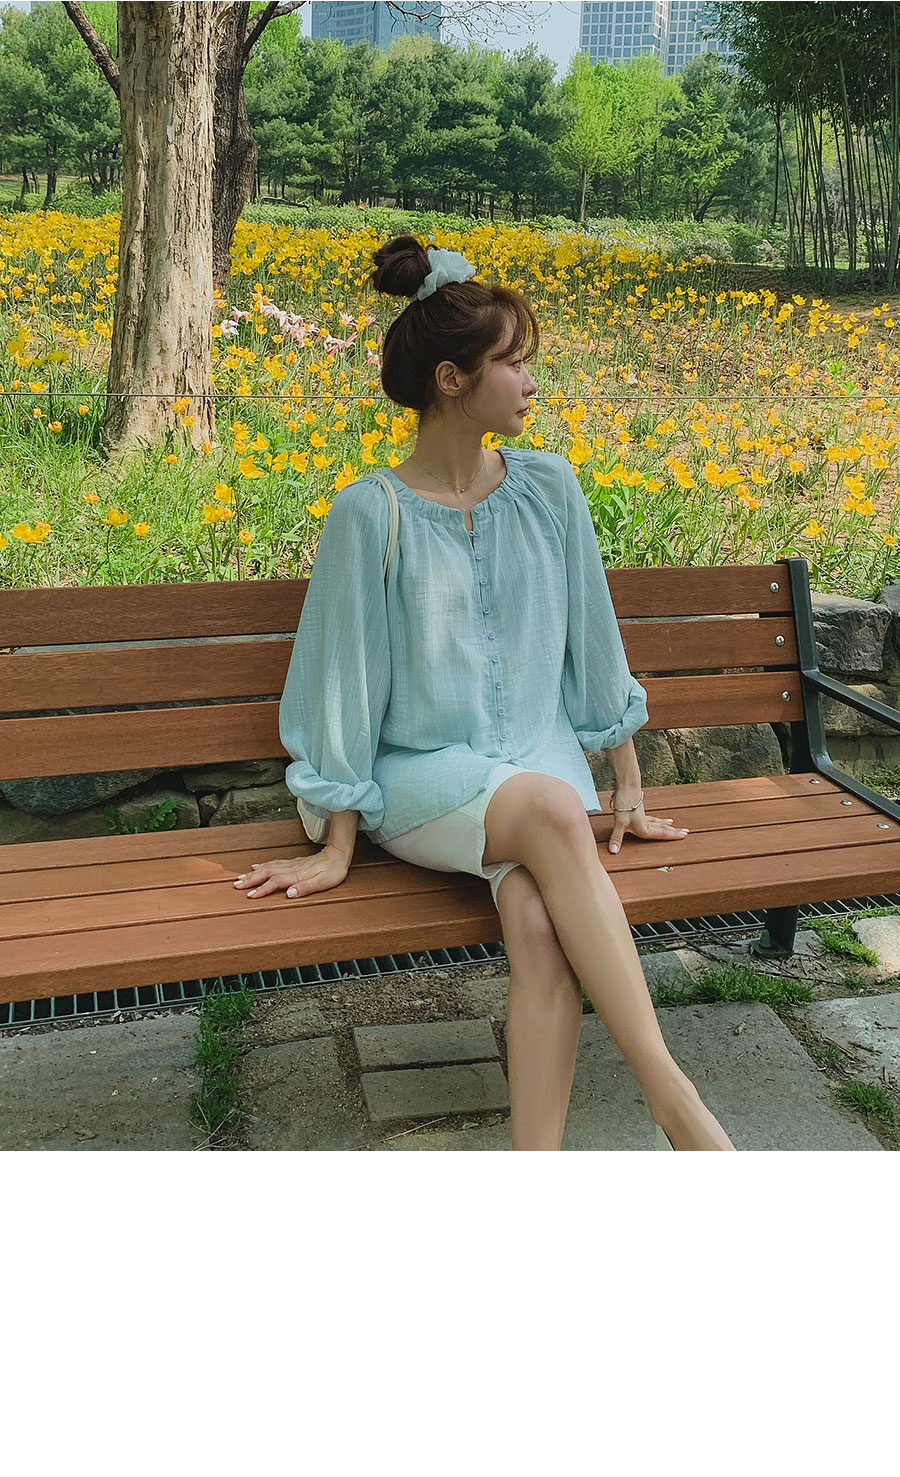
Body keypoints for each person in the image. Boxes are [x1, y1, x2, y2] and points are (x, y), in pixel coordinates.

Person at [234, 234, 736, 1153]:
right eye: (513, 362)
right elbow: (344, 677)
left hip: (539, 768)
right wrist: (339, 838)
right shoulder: (370, 512)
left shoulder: (549, 488)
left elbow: (593, 636)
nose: (531, 382)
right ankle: (674, 1099)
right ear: (453, 380)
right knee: (549, 809)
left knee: (541, 927)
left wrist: (626, 778)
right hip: (424, 778)